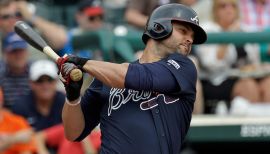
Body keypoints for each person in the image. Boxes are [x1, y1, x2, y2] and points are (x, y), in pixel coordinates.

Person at [57, 3, 207, 153]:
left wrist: (81, 63)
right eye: (183, 31)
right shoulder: (107, 78)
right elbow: (73, 133)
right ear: (159, 27)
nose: (190, 40)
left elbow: (136, 76)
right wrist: (72, 97)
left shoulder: (184, 68)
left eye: (192, 36)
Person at [11, 60, 65, 131]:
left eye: (50, 80)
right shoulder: (20, 106)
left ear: (56, 82)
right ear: (31, 83)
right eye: (39, 81)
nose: (45, 86)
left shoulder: (65, 102)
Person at [0, 0, 66, 50]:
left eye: (18, 14)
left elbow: (61, 40)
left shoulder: (35, 33)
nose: (13, 20)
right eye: (6, 16)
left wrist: (31, 17)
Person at [0, 32, 31, 109]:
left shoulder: (36, 71)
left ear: (27, 52)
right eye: (14, 51)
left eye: (21, 50)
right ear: (4, 53)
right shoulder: (1, 73)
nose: (18, 55)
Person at [0, 88, 36, 154]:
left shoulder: (17, 122)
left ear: (1, 101)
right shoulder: (17, 134)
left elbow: (26, 151)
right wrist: (14, 138)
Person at [35, 124, 101, 154]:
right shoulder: (67, 129)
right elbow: (38, 137)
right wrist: (43, 151)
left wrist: (84, 137)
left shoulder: (101, 136)